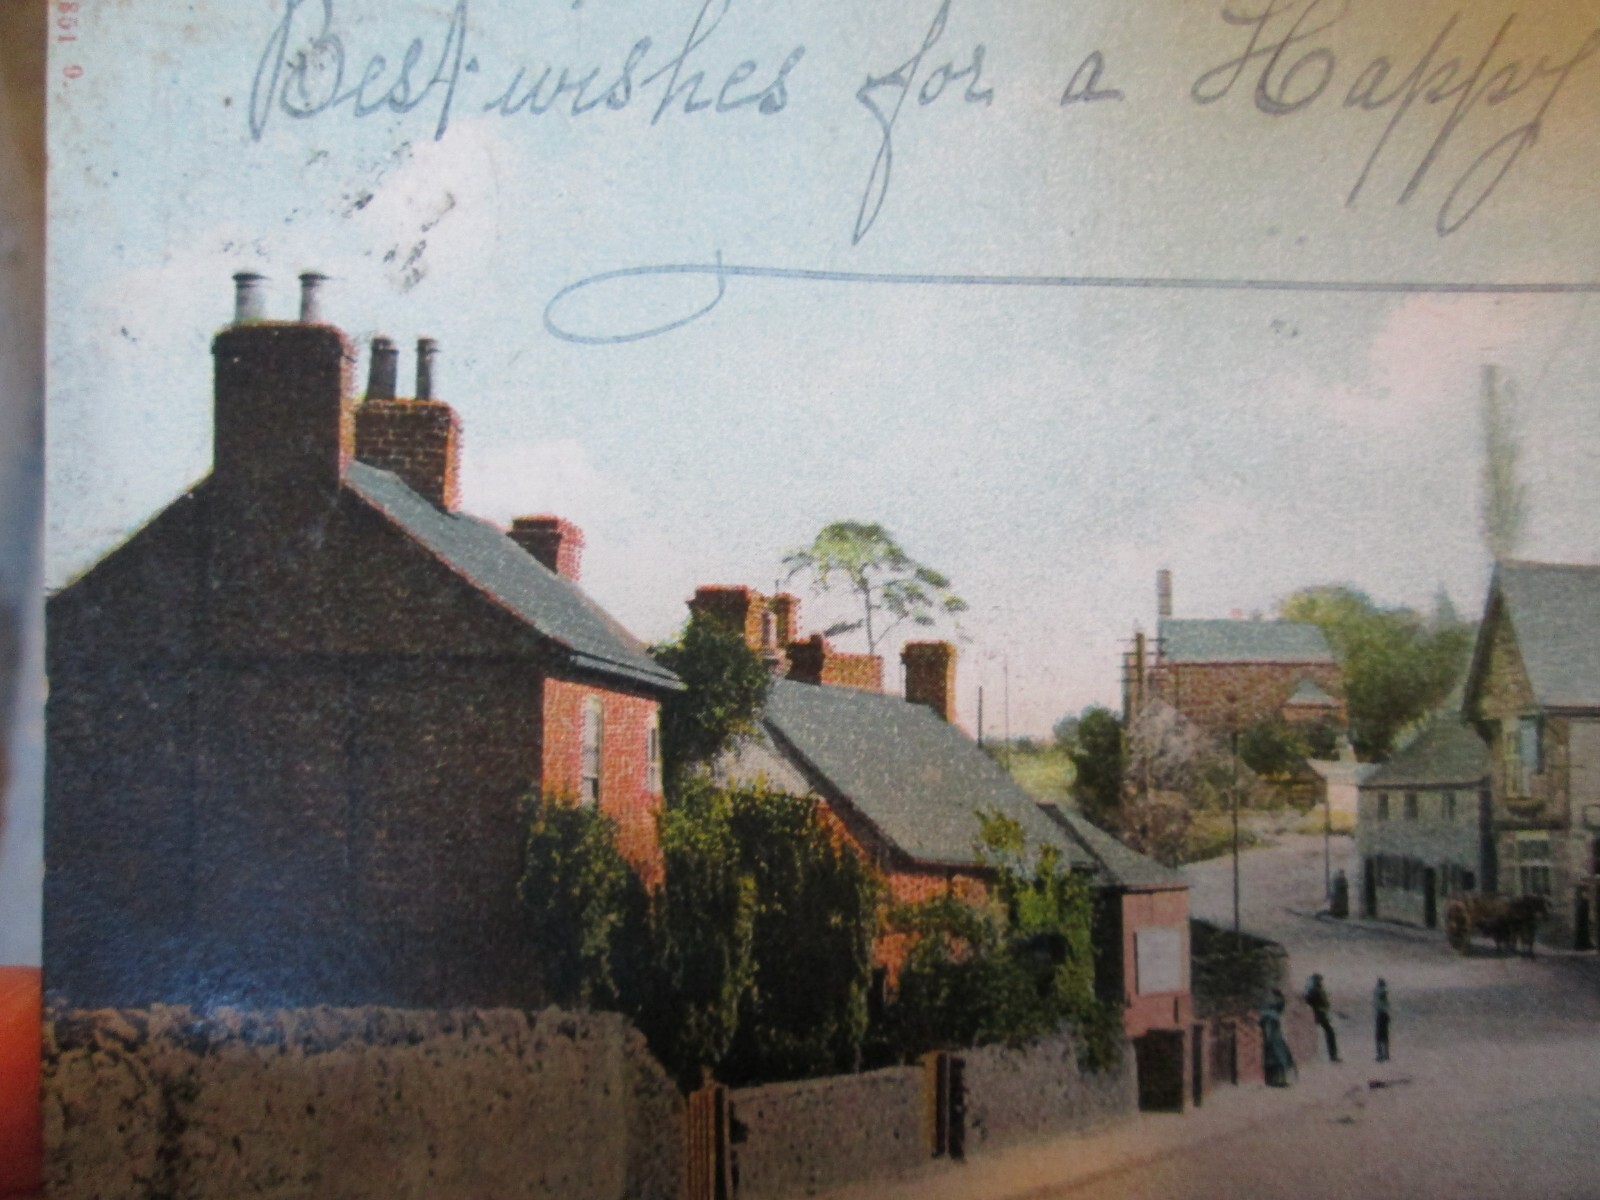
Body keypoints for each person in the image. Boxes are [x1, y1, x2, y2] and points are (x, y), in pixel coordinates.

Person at [1259, 989, 1295, 1087]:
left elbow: (1281, 1006)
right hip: (1272, 1039)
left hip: (1276, 1038)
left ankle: (1281, 1081)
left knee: (1281, 1059)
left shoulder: (1272, 1010)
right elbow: (1266, 1027)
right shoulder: (1266, 1013)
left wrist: (1280, 996)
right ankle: (1274, 1081)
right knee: (1276, 1059)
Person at [1304, 973, 1341, 1062]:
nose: (1321, 982)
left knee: (1329, 1033)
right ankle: (1332, 1055)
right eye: (1319, 980)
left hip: (1321, 1014)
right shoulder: (1314, 991)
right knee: (1329, 1033)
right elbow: (1309, 1001)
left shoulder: (1316, 990)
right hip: (1319, 1014)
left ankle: (1332, 1055)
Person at [1374, 978, 1390, 1062]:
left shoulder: (1380, 991)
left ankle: (1380, 1054)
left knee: (1379, 1036)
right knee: (1384, 1036)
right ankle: (1386, 1054)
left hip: (1381, 1014)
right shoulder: (1383, 991)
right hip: (1384, 1014)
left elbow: (1380, 1000)